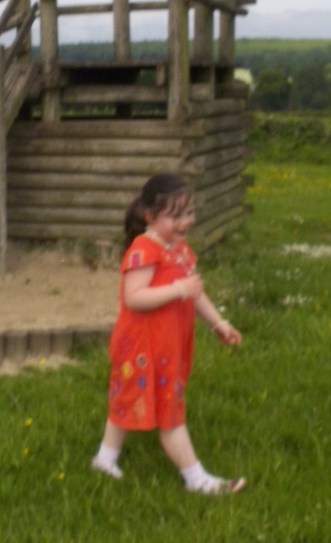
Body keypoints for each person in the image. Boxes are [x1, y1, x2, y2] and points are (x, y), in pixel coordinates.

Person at [91, 172, 245, 494]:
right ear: (149, 216)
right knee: (169, 413)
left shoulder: (179, 248)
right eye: (175, 216)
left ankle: (104, 460)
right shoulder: (144, 250)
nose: (185, 221)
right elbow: (134, 297)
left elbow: (195, 292)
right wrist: (177, 289)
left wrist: (218, 323)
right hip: (141, 347)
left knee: (127, 400)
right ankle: (197, 479)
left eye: (189, 212)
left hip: (165, 345)